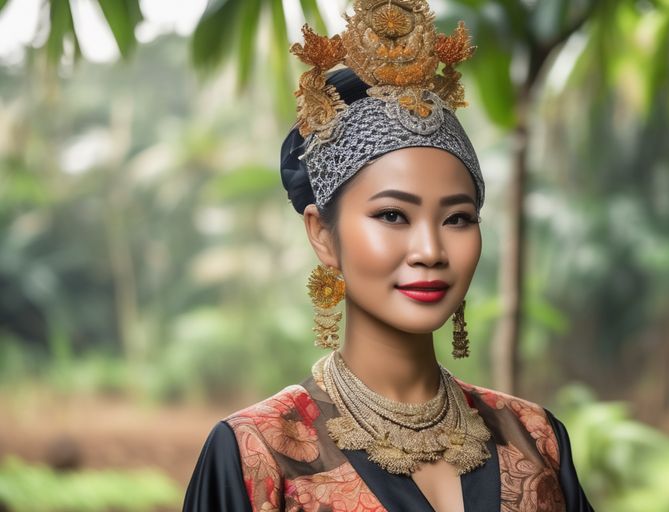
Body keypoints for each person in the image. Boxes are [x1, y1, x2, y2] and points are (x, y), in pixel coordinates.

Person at [182, 1, 593, 510]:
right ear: (322, 235)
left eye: (457, 218)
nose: (430, 250)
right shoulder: (257, 455)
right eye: (393, 216)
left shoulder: (536, 440)